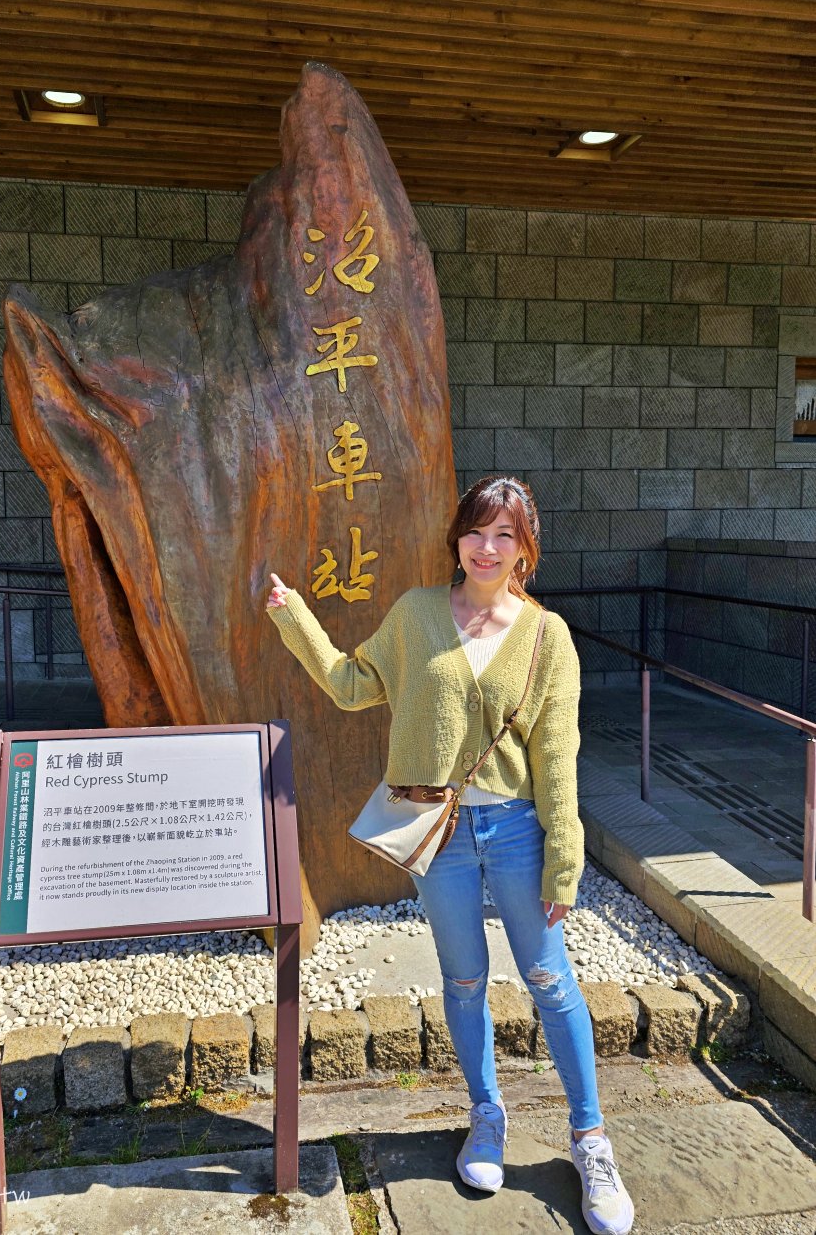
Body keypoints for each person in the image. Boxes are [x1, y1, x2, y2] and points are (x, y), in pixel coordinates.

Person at [266, 474, 634, 1235]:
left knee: (547, 978)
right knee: (463, 979)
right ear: (456, 540)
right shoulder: (417, 614)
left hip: (517, 830)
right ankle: (486, 1115)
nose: (486, 547)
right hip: (438, 834)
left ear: (525, 549)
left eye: (503, 535)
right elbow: (349, 685)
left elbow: (556, 754)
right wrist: (293, 616)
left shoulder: (545, 635)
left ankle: (589, 1137)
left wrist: (564, 856)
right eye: (474, 531)